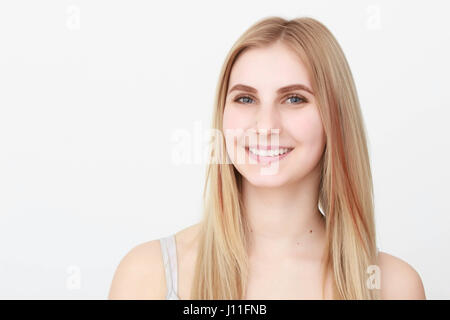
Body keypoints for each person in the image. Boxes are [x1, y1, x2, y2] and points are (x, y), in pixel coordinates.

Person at [108, 16, 426, 300]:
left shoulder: (394, 287)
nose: (265, 126)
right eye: (245, 98)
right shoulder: (148, 275)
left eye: (294, 98)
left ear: (335, 118)